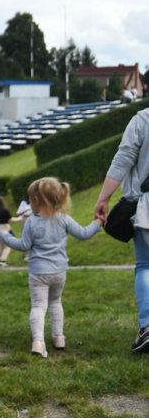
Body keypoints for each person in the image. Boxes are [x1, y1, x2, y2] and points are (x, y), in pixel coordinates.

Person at [0, 177, 103, 357]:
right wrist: (99, 223)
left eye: (31, 200)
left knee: (38, 306)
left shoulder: (31, 222)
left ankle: (38, 342)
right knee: (55, 302)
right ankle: (59, 338)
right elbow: (85, 234)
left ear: (37, 201)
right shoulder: (64, 219)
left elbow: (24, 246)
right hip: (59, 272)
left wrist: (4, 236)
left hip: (39, 273)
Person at [96, 106, 149, 353]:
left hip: (145, 205)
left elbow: (124, 158)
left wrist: (104, 198)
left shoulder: (143, 119)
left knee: (145, 266)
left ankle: (148, 327)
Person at [0, 195, 23, 267]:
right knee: (7, 245)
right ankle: (2, 260)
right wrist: (20, 218)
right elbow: (12, 219)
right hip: (4, 228)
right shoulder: (5, 210)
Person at [17, 193, 33, 261]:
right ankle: (25, 254)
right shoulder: (23, 203)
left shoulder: (34, 202)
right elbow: (18, 213)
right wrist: (27, 210)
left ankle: (32, 254)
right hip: (25, 218)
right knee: (25, 236)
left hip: (33, 218)